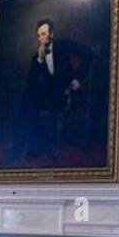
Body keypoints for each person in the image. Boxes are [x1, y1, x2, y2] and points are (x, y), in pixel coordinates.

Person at [17, 18, 93, 161]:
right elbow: (30, 82)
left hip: (68, 91)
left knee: (38, 103)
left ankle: (46, 146)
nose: (41, 38)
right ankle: (33, 145)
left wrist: (78, 78)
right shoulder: (37, 57)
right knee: (28, 102)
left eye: (44, 34)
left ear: (51, 34)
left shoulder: (64, 45)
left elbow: (88, 53)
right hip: (51, 93)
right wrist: (39, 60)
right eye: (38, 35)